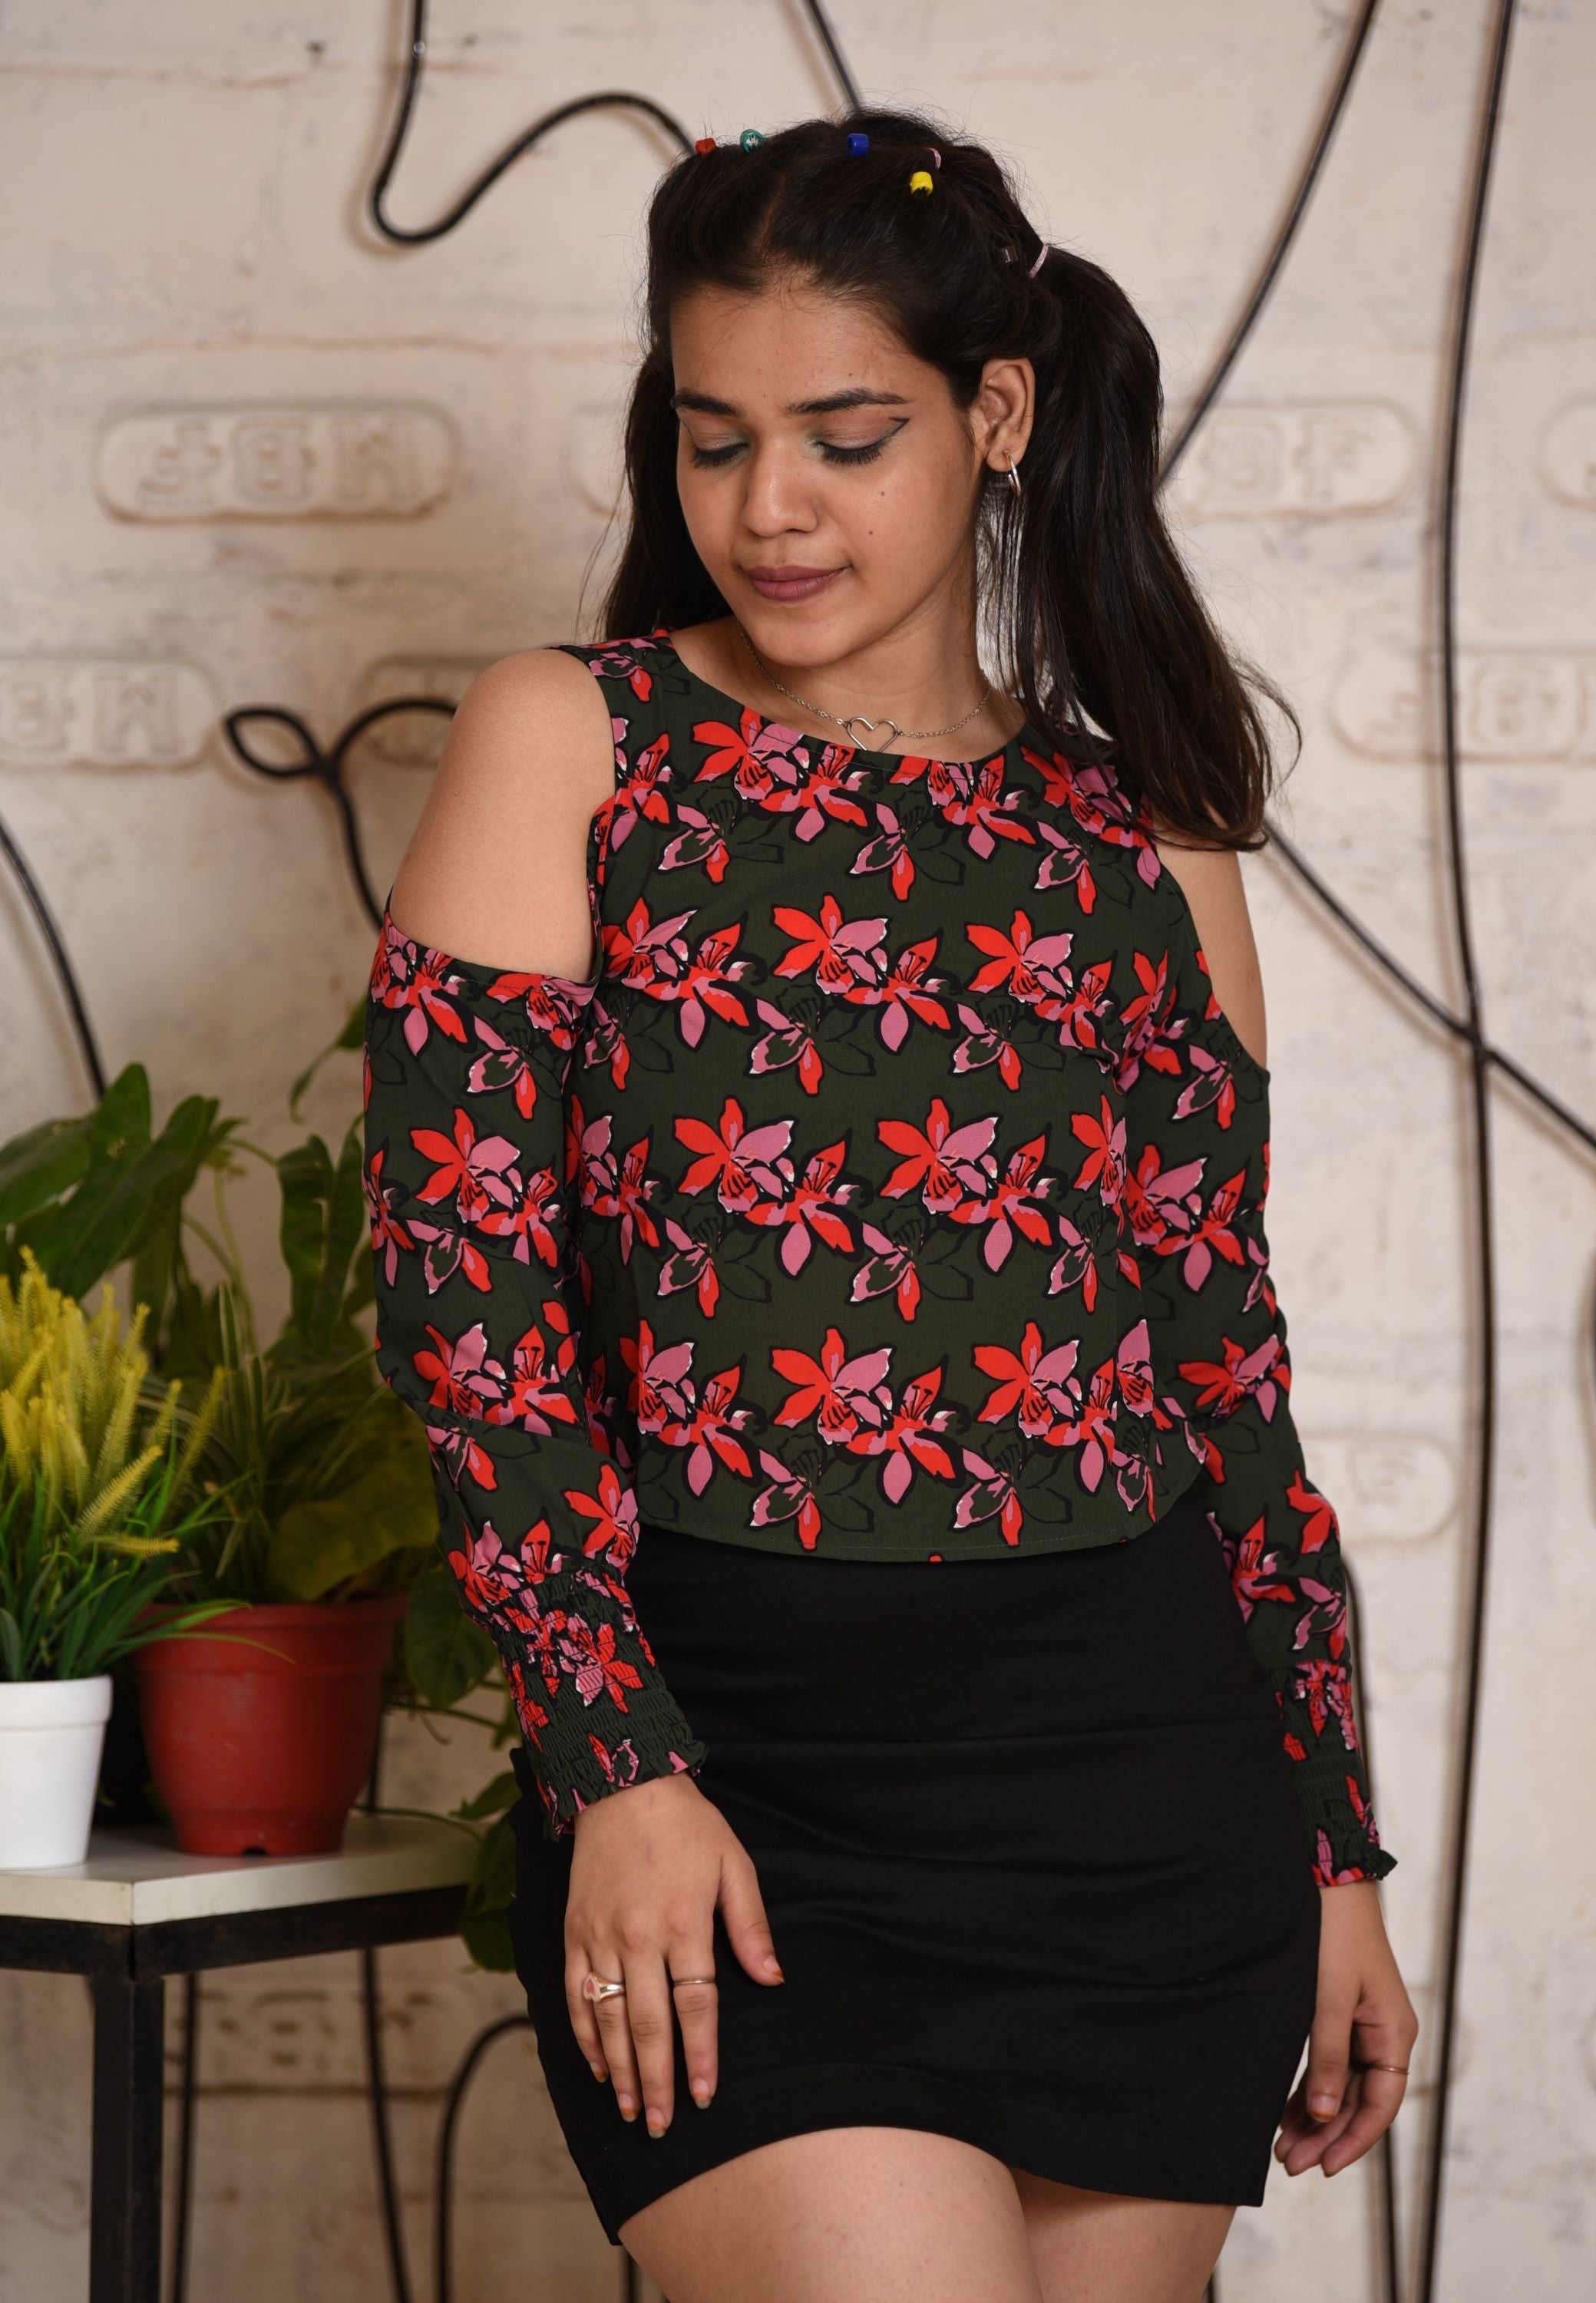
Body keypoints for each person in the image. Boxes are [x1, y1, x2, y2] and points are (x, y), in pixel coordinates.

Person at [362, 105, 1416, 2303]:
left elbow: (1222, 1375)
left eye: (846, 439)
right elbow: (467, 1311)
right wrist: (616, 1766)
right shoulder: (576, 741)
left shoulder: (1142, 840)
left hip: (1141, 1793)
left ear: (996, 414)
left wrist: (1335, 1849)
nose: (769, 507)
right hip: (742, 1780)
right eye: (714, 438)